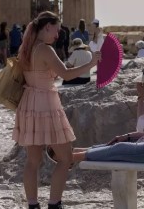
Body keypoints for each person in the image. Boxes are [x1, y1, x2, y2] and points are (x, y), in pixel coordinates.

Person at [13, 11, 101, 209]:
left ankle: (33, 205)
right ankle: (54, 204)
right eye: (57, 28)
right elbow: (66, 75)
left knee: (33, 161)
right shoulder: (45, 49)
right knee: (65, 158)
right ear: (47, 27)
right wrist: (91, 63)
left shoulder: (26, 48)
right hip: (46, 103)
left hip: (28, 103)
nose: (59, 33)